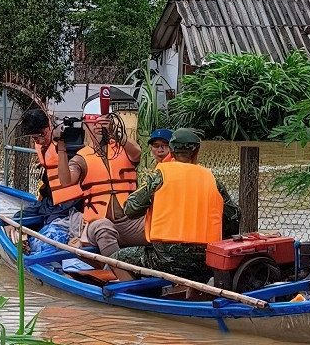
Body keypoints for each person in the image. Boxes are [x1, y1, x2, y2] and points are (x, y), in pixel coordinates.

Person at [83, 128, 238, 281]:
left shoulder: (159, 175)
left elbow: (131, 210)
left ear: (171, 150)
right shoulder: (212, 179)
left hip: (165, 260)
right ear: (196, 151)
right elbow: (234, 218)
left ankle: (134, 295)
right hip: (206, 261)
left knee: (115, 259)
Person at [23, 109, 87, 233]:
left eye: (42, 135)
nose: (39, 141)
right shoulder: (41, 145)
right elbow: (48, 176)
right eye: (34, 138)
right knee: (18, 219)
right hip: (50, 199)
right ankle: (21, 240)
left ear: (49, 127)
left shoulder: (66, 143)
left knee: (51, 226)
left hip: (70, 202)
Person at [76, 111, 142, 223]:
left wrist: (115, 133)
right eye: (93, 122)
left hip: (130, 220)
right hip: (98, 221)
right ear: (85, 126)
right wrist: (61, 145)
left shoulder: (124, 148)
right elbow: (66, 180)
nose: (98, 126)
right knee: (103, 228)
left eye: (103, 122)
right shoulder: (81, 157)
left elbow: (137, 152)